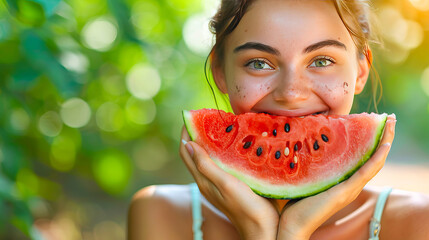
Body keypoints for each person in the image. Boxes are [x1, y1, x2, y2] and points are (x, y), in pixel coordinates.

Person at [128, 0, 429, 239]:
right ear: (220, 72)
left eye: (322, 61)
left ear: (360, 71)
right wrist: (258, 231)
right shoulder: (160, 213)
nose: (291, 93)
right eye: (259, 63)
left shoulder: (417, 224)